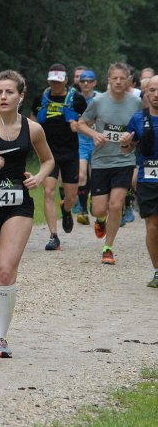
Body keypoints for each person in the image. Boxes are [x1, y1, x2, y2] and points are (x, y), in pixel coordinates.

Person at [0, 71, 54, 358]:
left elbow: (48, 160)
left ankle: (0, 338)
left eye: (9, 92)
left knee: (6, 270)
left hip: (18, 205)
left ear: (21, 96)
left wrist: (39, 176)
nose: (3, 97)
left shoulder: (33, 129)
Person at [78, 62, 142, 264]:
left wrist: (131, 138)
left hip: (124, 160)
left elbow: (142, 127)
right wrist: (94, 134)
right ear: (109, 80)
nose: (119, 82)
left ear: (129, 80)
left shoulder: (136, 102)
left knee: (116, 205)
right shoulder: (98, 101)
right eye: (115, 78)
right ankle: (100, 219)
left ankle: (108, 248)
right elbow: (81, 124)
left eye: (123, 78)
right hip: (101, 161)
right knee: (99, 209)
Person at [29, 63, 86, 250]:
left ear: (66, 81)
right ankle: (53, 236)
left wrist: (78, 125)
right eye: (53, 81)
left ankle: (66, 209)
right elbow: (32, 120)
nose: (55, 85)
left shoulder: (77, 99)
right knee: (48, 191)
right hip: (48, 153)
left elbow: (87, 121)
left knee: (71, 197)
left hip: (70, 153)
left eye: (59, 81)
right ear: (48, 81)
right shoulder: (40, 99)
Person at [120, 75, 158, 286]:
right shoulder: (138, 118)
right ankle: (157, 270)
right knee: (152, 225)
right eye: (152, 90)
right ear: (146, 93)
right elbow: (126, 149)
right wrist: (125, 142)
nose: (156, 94)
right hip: (148, 179)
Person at [74, 69, 100, 224]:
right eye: (83, 81)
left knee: (96, 177)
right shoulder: (74, 98)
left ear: (94, 83)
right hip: (81, 143)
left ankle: (93, 201)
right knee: (81, 174)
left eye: (89, 81)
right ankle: (82, 210)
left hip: (97, 142)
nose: (86, 84)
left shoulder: (101, 99)